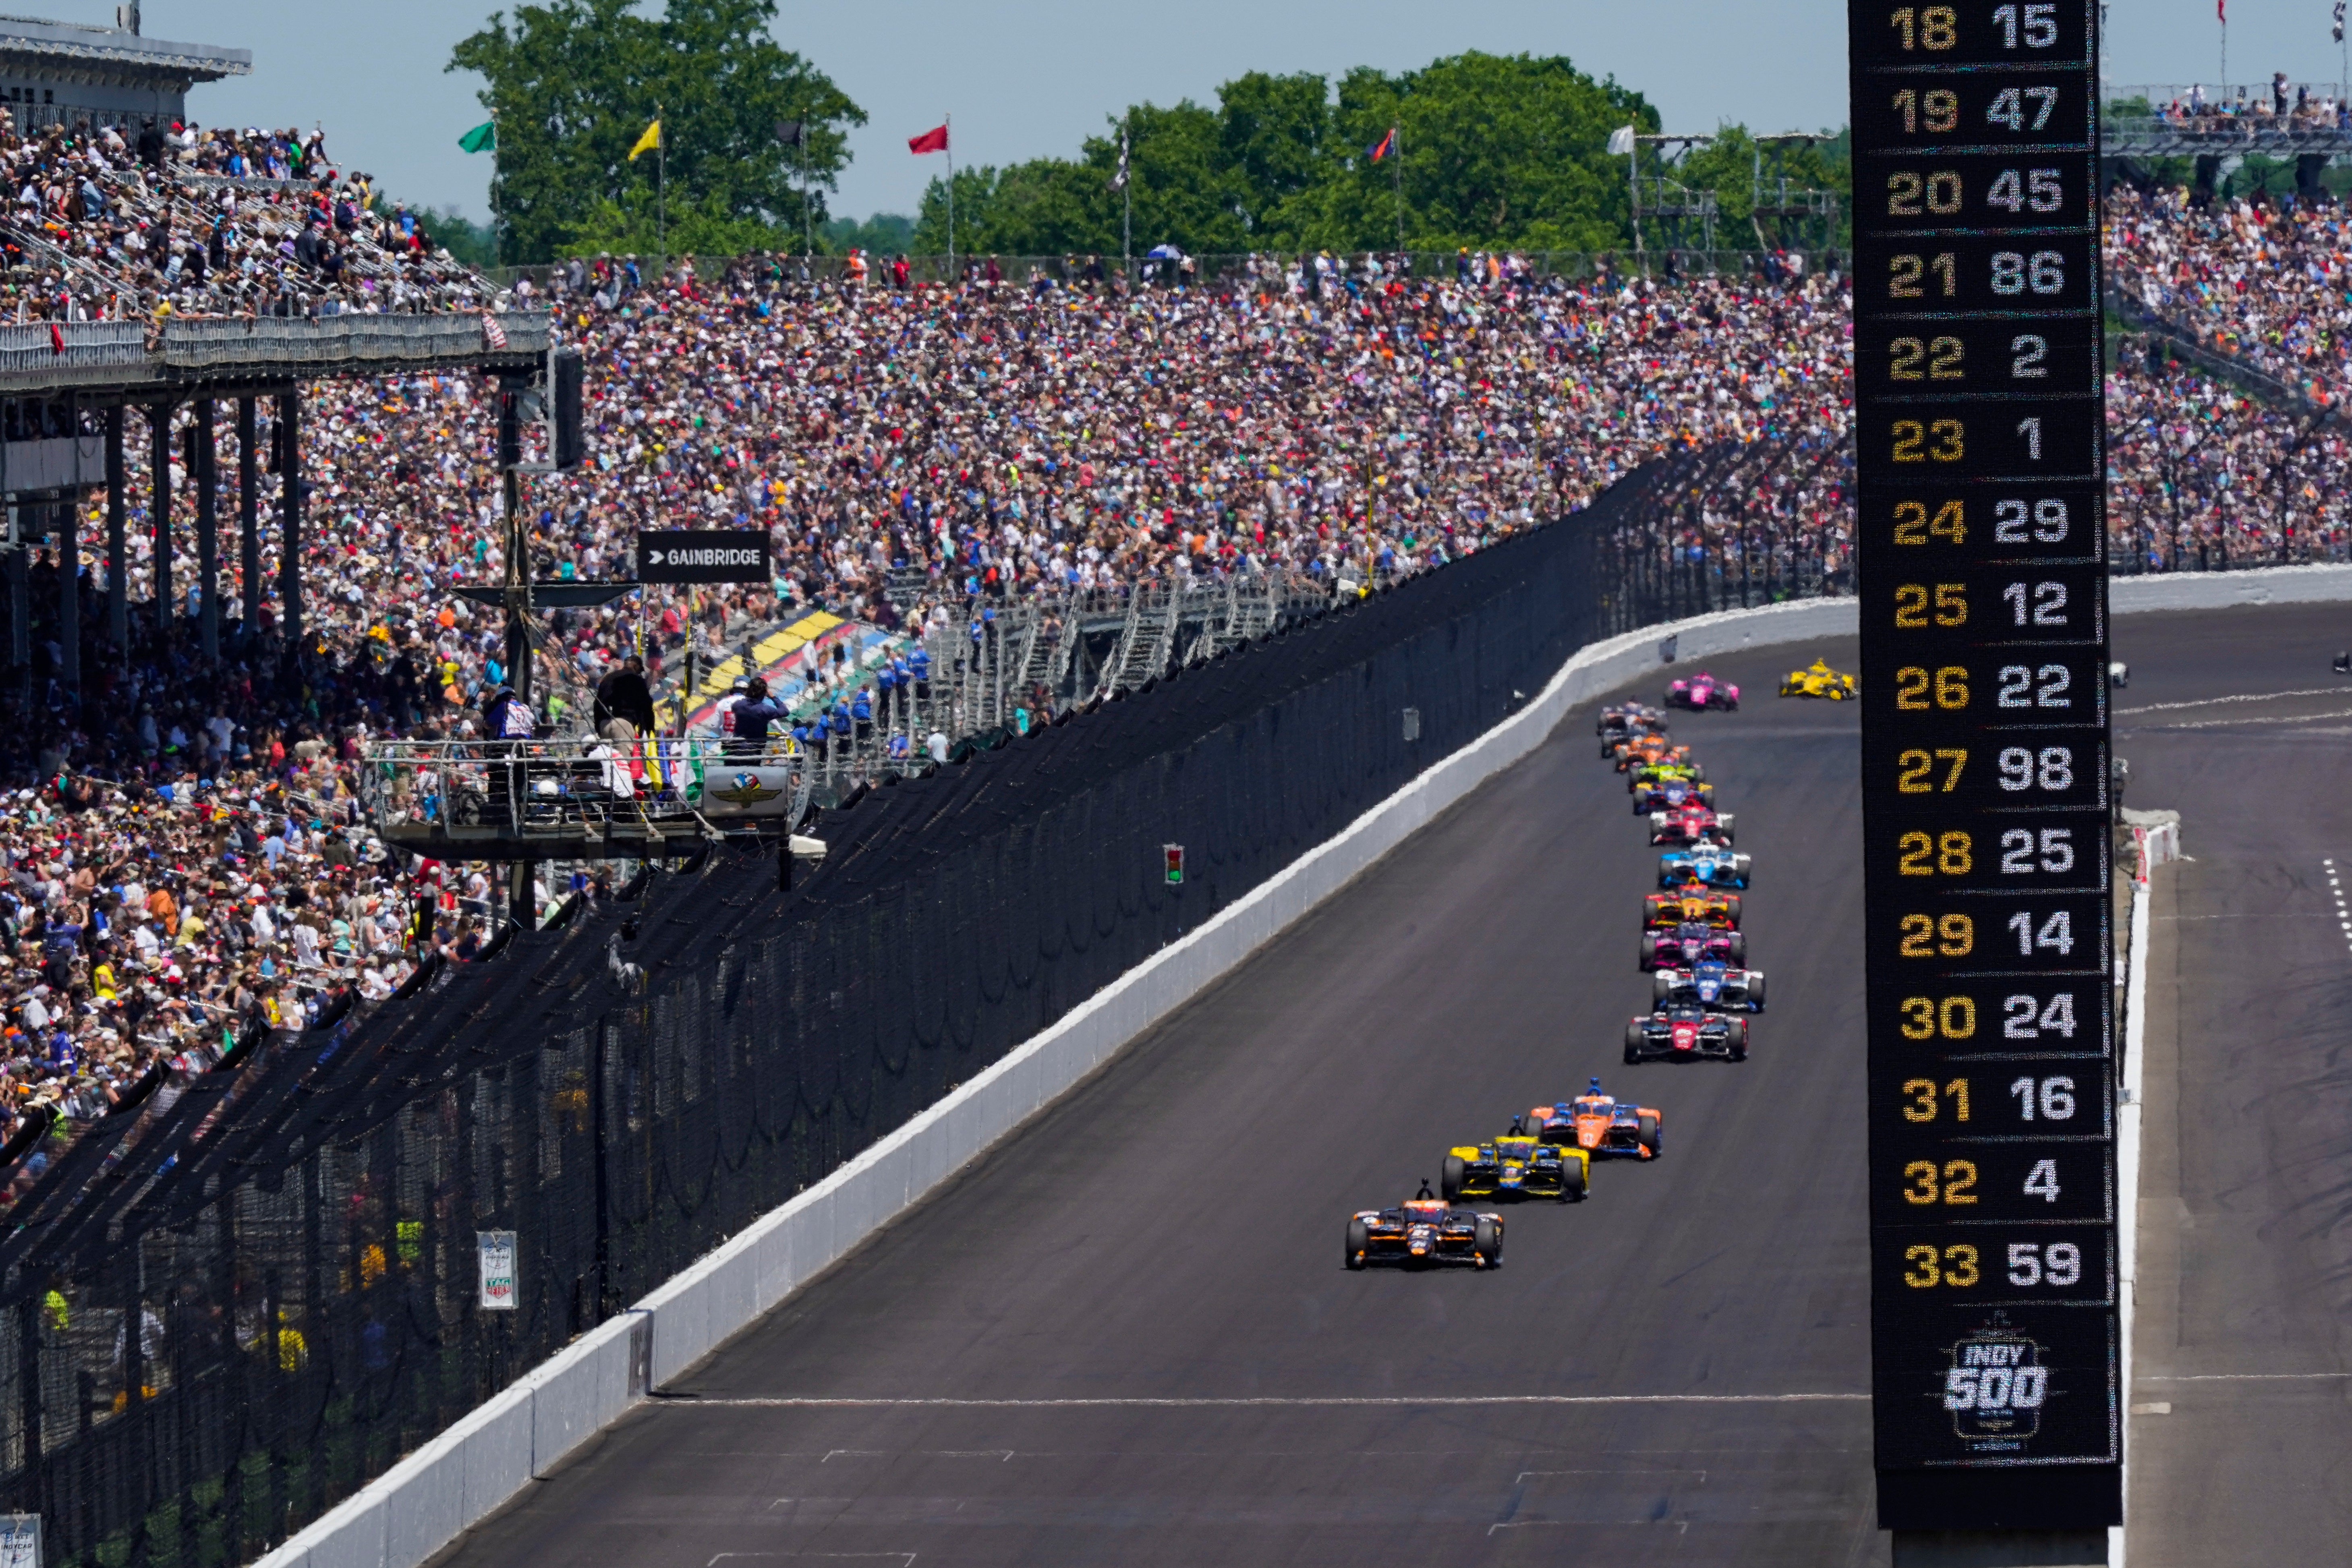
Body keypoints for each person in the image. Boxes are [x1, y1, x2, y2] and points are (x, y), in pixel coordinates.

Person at [592, 655, 656, 740]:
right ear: (636, 666)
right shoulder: (637, 680)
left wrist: (599, 726)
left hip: (604, 724)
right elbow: (646, 706)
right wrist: (649, 729)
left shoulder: (608, 678)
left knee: (608, 753)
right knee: (622, 754)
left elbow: (598, 703)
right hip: (624, 724)